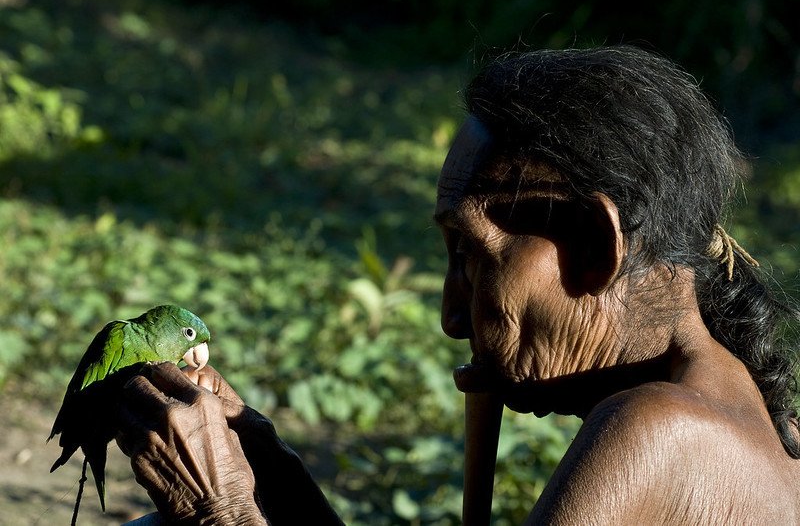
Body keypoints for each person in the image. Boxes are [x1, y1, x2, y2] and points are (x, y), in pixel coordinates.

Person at [116, 45, 800, 524]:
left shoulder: (656, 429)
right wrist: (268, 469)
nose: (451, 314)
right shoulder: (757, 420)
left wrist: (223, 509)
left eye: (470, 256)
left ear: (594, 246)